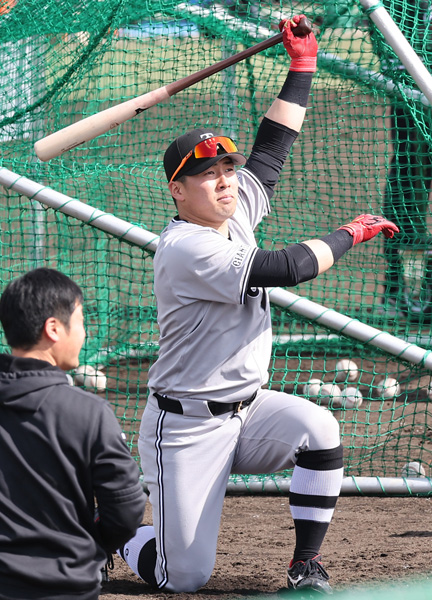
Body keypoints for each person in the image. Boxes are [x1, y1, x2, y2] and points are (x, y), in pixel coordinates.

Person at [117, 15, 399, 595]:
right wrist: (352, 232)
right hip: (186, 427)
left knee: (319, 427)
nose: (225, 180)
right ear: (177, 190)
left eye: (227, 168)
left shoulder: (233, 209)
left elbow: (271, 150)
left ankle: (305, 565)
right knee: (183, 577)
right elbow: (287, 267)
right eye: (206, 174)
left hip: (248, 412)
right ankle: (109, 527)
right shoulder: (186, 247)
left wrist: (302, 65)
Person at [0, 268, 147, 600]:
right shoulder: (90, 413)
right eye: (80, 321)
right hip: (66, 585)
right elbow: (125, 512)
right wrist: (89, 546)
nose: (84, 333)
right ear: (53, 328)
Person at [369, 0, 432, 317]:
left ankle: (412, 289)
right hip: (413, 89)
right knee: (409, 179)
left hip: (414, 87)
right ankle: (401, 288)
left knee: (410, 177)